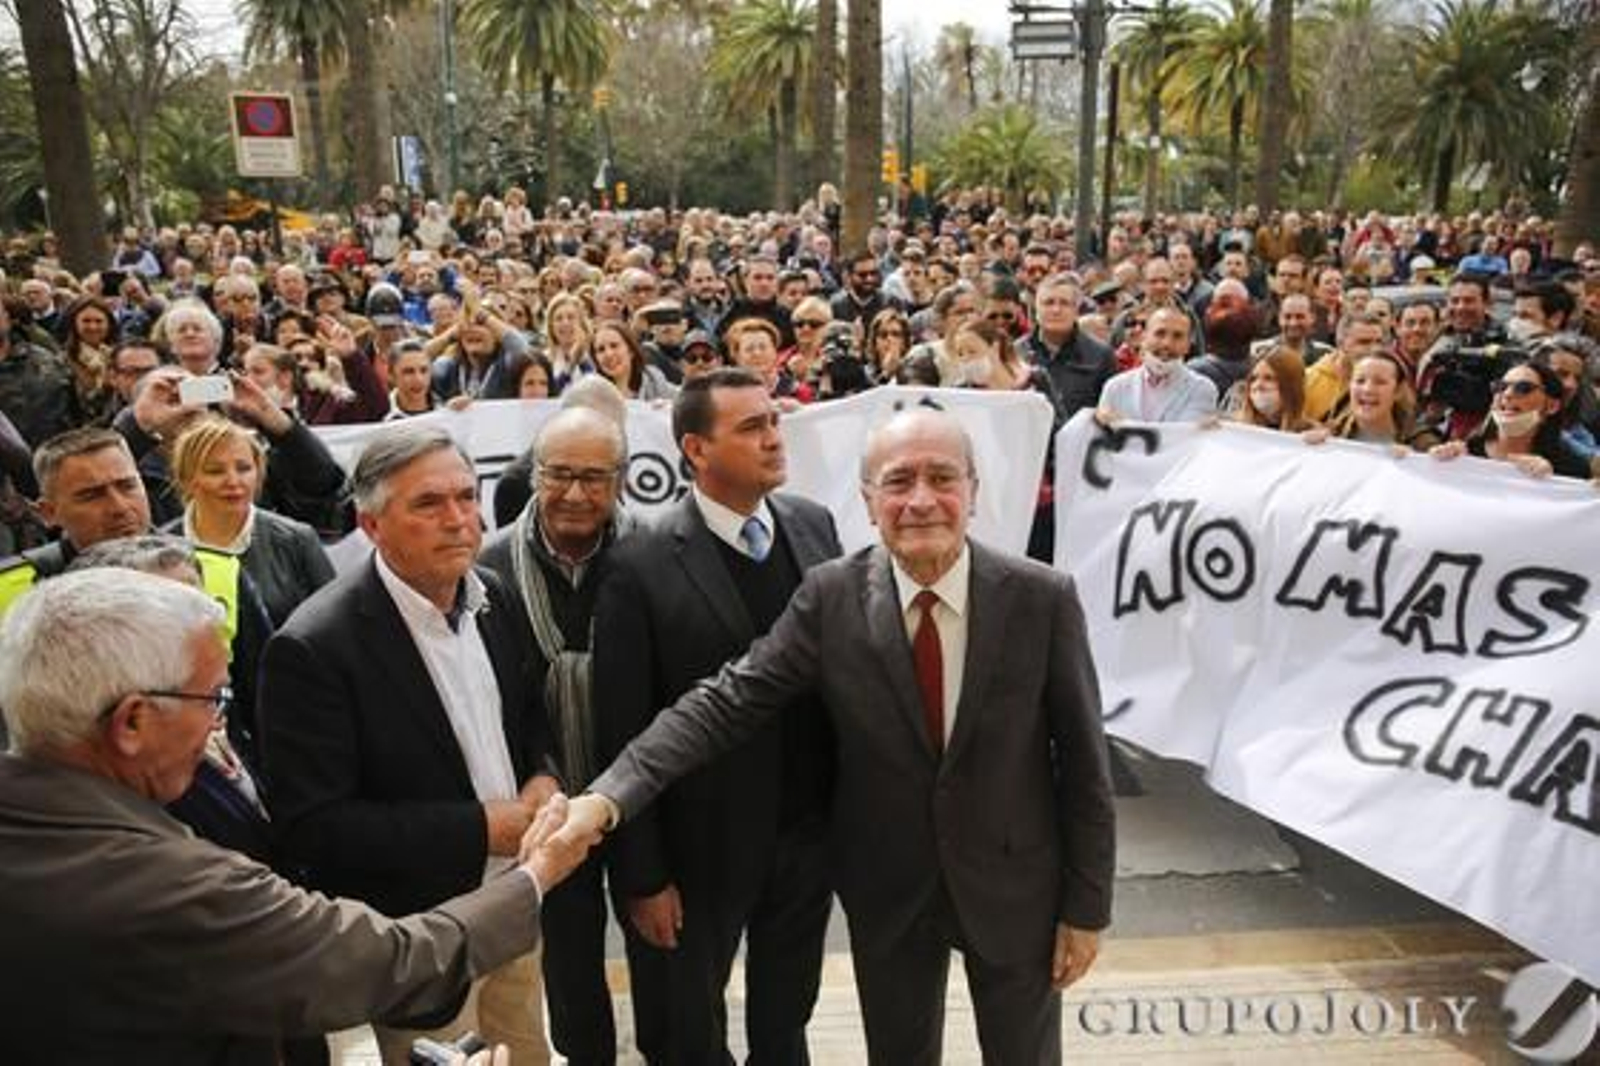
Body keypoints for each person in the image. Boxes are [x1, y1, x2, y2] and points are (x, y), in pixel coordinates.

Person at [569, 407, 1115, 1065]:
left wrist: (1087, 909)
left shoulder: (1042, 598)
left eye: (942, 478)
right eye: (898, 481)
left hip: (1016, 886)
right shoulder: (830, 598)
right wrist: (609, 797)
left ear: (974, 491)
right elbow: (725, 702)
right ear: (867, 499)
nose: (920, 500)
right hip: (888, 886)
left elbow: (1086, 768)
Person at [0, 568, 597, 1063]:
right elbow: (393, 960)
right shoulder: (175, 886)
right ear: (132, 722)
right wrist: (537, 873)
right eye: (213, 698)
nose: (218, 725)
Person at [258, 425, 564, 1065]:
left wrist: (542, 776)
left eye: (465, 496)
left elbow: (530, 717)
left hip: (513, 911)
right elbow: (315, 829)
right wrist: (482, 830)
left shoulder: (494, 595)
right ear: (371, 526)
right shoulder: (313, 647)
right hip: (419, 941)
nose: (458, 519)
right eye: (429, 504)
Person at [593, 367, 842, 1064]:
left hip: (804, 838)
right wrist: (642, 876)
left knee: (785, 1022)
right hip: (695, 855)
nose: (772, 438)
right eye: (751, 427)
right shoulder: (638, 564)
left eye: (774, 421)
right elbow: (625, 729)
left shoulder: (813, 526)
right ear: (696, 451)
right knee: (687, 1037)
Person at [480, 407, 634, 1066]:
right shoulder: (487, 571)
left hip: (641, 794)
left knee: (668, 959)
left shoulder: (654, 556)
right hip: (542, 803)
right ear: (534, 475)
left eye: (594, 478)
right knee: (570, 971)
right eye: (560, 475)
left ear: (622, 482)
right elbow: (493, 697)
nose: (575, 494)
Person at [168, 416, 334, 627]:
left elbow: (334, 623)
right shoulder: (162, 547)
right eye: (215, 471)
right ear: (186, 480)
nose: (233, 481)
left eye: (244, 468)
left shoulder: (297, 540)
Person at [1429, 361, 1592, 479]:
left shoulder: (1572, 469)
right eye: (1500, 387)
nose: (1507, 394)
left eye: (1523, 388)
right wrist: (1437, 464)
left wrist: (1554, 481)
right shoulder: (1464, 453)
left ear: (1552, 406)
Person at [1097, 306, 1219, 422]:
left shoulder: (1202, 389)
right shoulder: (1115, 388)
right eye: (1160, 333)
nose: (1167, 344)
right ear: (1144, 337)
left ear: (1188, 345)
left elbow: (1188, 437)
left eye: (1178, 336)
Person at [1235, 349, 1313, 432]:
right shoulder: (1233, 426)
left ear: (1290, 387)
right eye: (1254, 379)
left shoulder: (1310, 432)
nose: (1258, 385)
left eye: (1268, 378)